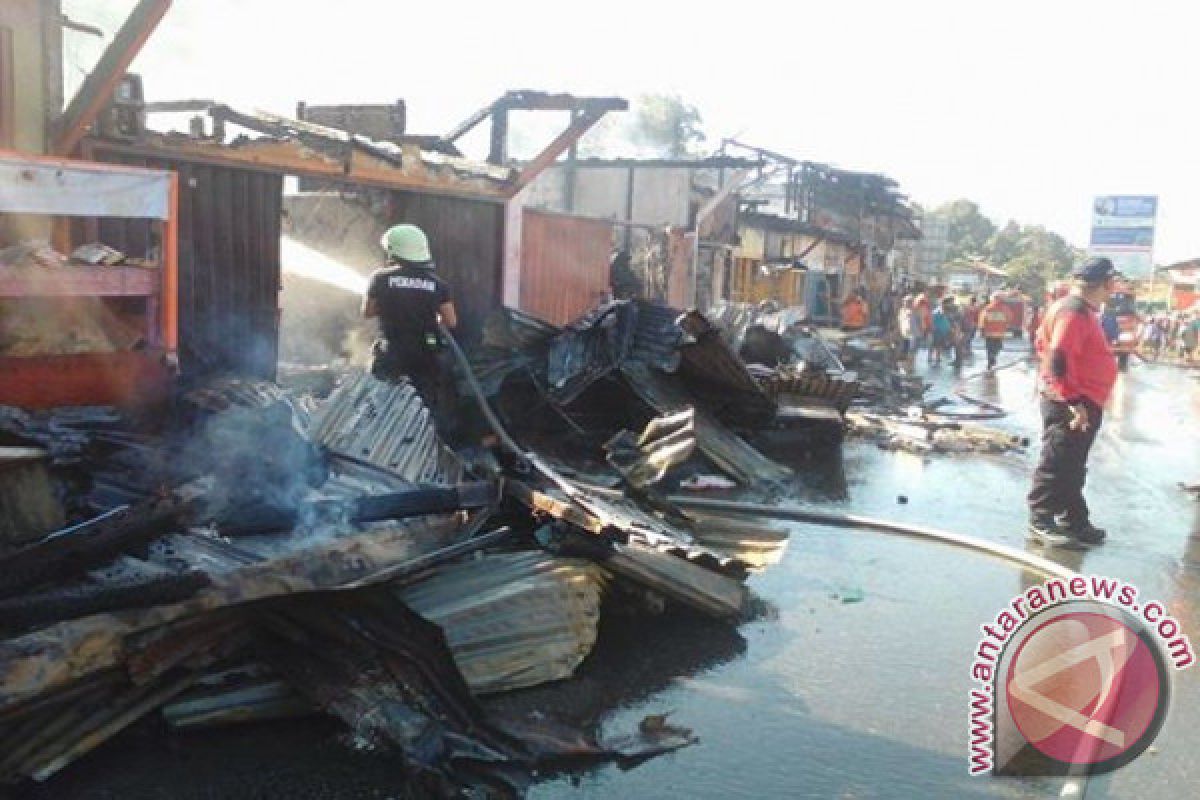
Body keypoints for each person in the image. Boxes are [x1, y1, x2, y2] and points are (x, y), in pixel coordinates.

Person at [1026, 257, 1119, 548]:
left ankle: (1073, 518)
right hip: (1071, 400)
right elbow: (1058, 357)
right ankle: (1040, 518)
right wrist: (1074, 400)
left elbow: (1043, 345)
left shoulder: (1076, 309)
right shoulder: (1074, 311)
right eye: (1112, 283)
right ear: (1104, 283)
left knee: (1073, 462)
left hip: (1079, 397)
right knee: (1058, 459)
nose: (1113, 289)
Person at [362, 224, 458, 415]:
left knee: (383, 404)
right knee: (424, 406)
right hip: (426, 354)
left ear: (393, 250)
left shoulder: (380, 278)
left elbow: (367, 312)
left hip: (392, 352)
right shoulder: (437, 284)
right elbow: (451, 321)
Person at [980, 292, 1010, 371]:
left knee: (989, 348)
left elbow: (982, 320)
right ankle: (992, 357)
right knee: (998, 347)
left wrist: (982, 330)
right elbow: (1009, 318)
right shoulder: (1005, 309)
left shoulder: (988, 308)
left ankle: (990, 360)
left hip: (988, 333)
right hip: (999, 333)